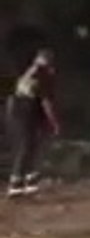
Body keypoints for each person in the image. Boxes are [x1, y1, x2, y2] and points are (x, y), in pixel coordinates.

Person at [7, 48, 61, 197]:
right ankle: (16, 182)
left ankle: (28, 180)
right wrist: (53, 121)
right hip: (27, 112)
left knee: (29, 145)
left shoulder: (30, 70)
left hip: (18, 111)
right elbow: (46, 101)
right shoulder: (42, 73)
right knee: (28, 146)